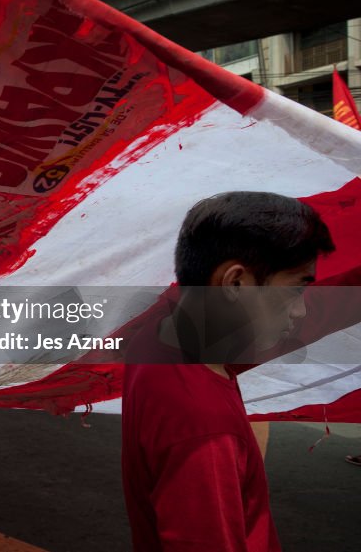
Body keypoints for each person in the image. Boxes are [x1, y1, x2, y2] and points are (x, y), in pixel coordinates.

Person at [122, 192, 335, 552]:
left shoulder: (158, 336)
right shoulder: (206, 428)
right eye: (296, 289)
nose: (299, 311)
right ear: (236, 283)